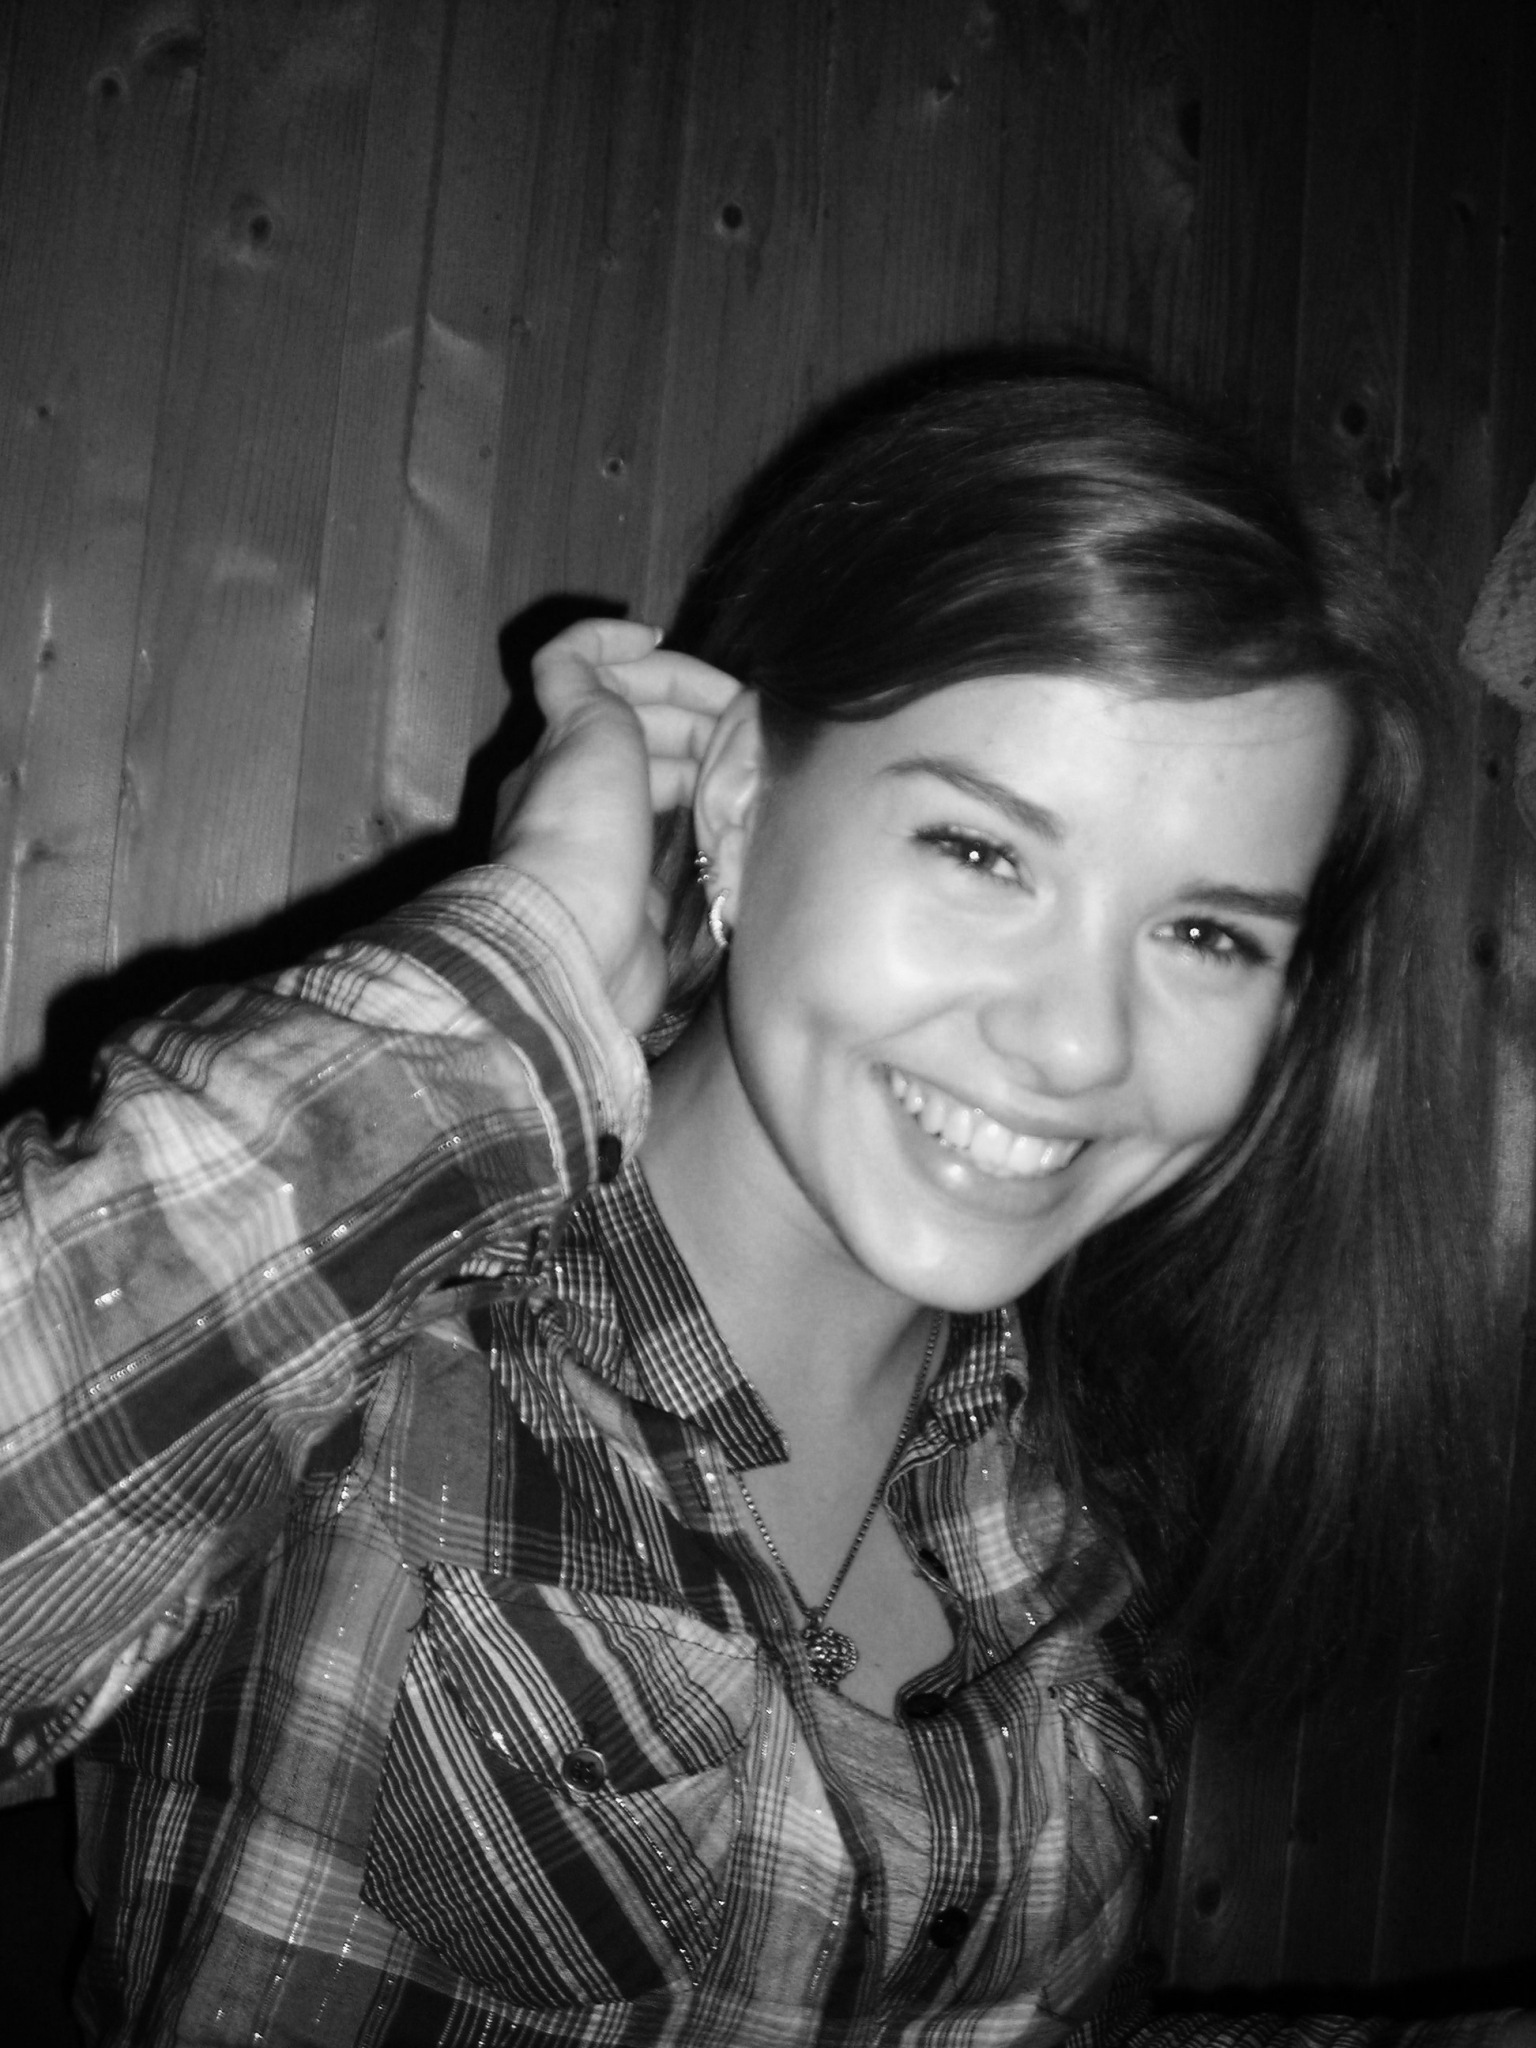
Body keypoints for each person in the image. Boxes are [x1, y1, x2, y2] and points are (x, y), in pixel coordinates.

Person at [0, 365, 1516, 2046]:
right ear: (740, 801)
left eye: (1208, 935)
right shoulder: (371, 1319)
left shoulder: (1089, 1502)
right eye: (982, 853)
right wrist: (532, 958)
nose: (1082, 1043)